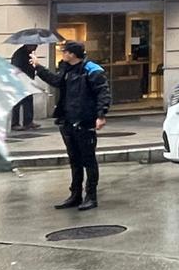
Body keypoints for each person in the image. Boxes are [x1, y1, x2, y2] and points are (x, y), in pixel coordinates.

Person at [29, 41, 111, 211]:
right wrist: (38, 67)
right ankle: (75, 195)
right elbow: (55, 81)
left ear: (73, 54)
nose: (62, 54)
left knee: (88, 160)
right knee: (74, 160)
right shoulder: (66, 68)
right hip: (67, 121)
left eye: (64, 51)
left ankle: (91, 196)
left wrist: (101, 115)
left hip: (84, 120)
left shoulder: (92, 70)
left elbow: (103, 92)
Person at [9, 44, 36, 131]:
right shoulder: (19, 54)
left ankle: (28, 122)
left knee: (28, 100)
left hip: (27, 80)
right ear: (28, 45)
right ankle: (15, 123)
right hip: (20, 81)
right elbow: (16, 67)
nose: (35, 48)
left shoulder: (28, 53)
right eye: (34, 46)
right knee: (18, 101)